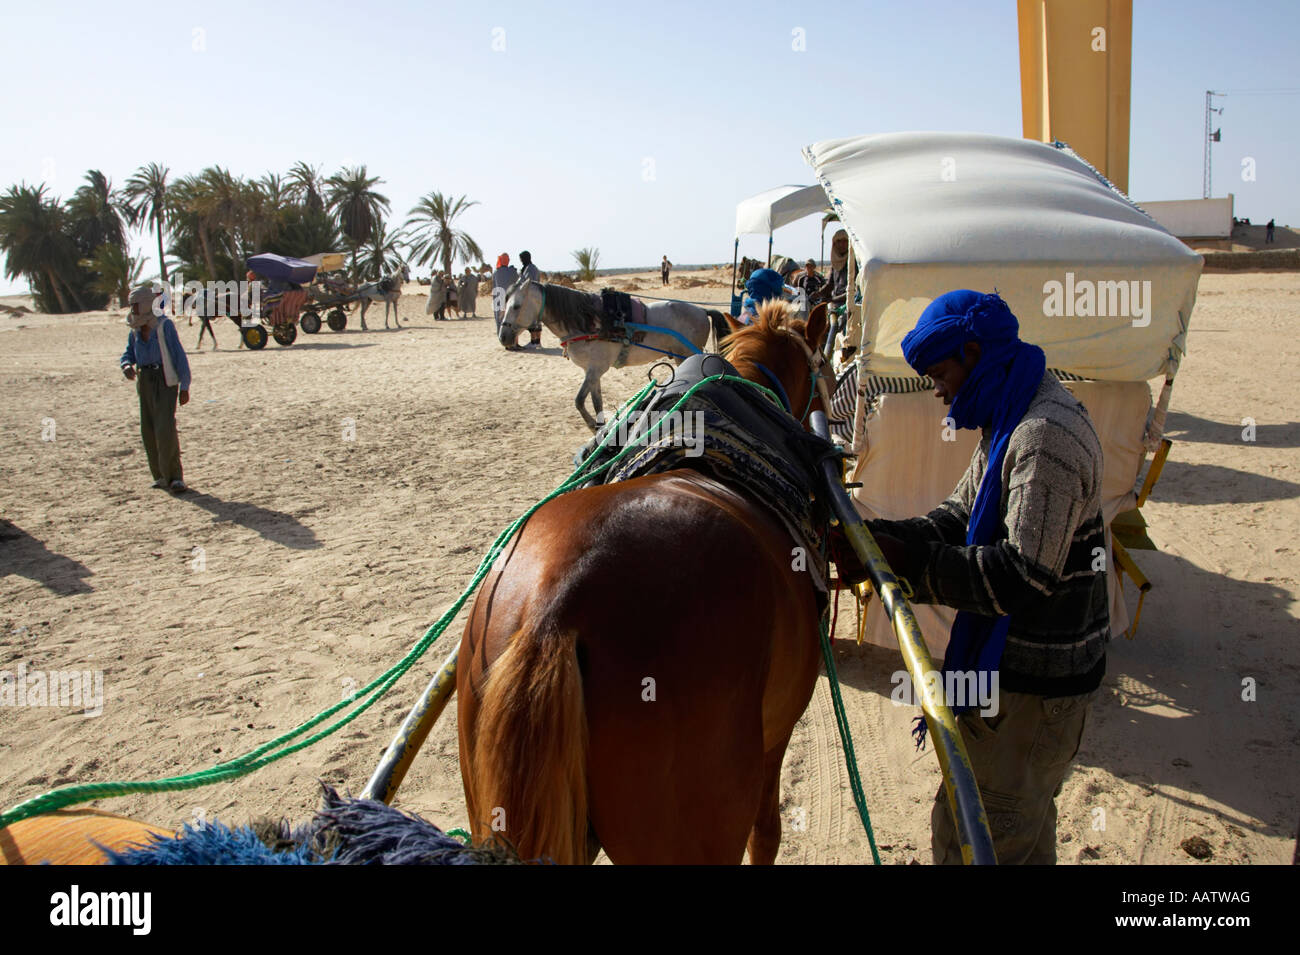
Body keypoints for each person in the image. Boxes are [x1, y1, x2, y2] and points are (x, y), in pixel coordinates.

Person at [864, 290, 1108, 865]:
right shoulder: (1008, 413)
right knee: (988, 823)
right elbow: (956, 515)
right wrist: (874, 538)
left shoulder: (1044, 435)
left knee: (987, 836)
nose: (938, 391)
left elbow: (1022, 577)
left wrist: (909, 565)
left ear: (974, 352)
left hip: (1032, 690)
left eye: (940, 373)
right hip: (1005, 677)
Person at [120, 283, 192, 493]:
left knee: (165, 428)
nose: (132, 310)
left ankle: (175, 476)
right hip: (145, 381)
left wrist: (185, 385)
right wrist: (126, 365)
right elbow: (128, 354)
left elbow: (178, 355)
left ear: (145, 305)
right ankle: (160, 476)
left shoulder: (163, 326)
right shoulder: (134, 328)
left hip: (165, 379)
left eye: (135, 305)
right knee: (148, 430)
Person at [518, 251, 542, 347]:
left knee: (533, 320)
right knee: (536, 320)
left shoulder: (530, 269)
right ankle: (537, 341)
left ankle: (534, 341)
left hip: (531, 296)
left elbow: (527, 282)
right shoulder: (531, 267)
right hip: (535, 296)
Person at [492, 253, 518, 334]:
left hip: (498, 299)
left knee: (499, 319)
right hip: (510, 299)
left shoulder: (496, 273)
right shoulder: (512, 272)